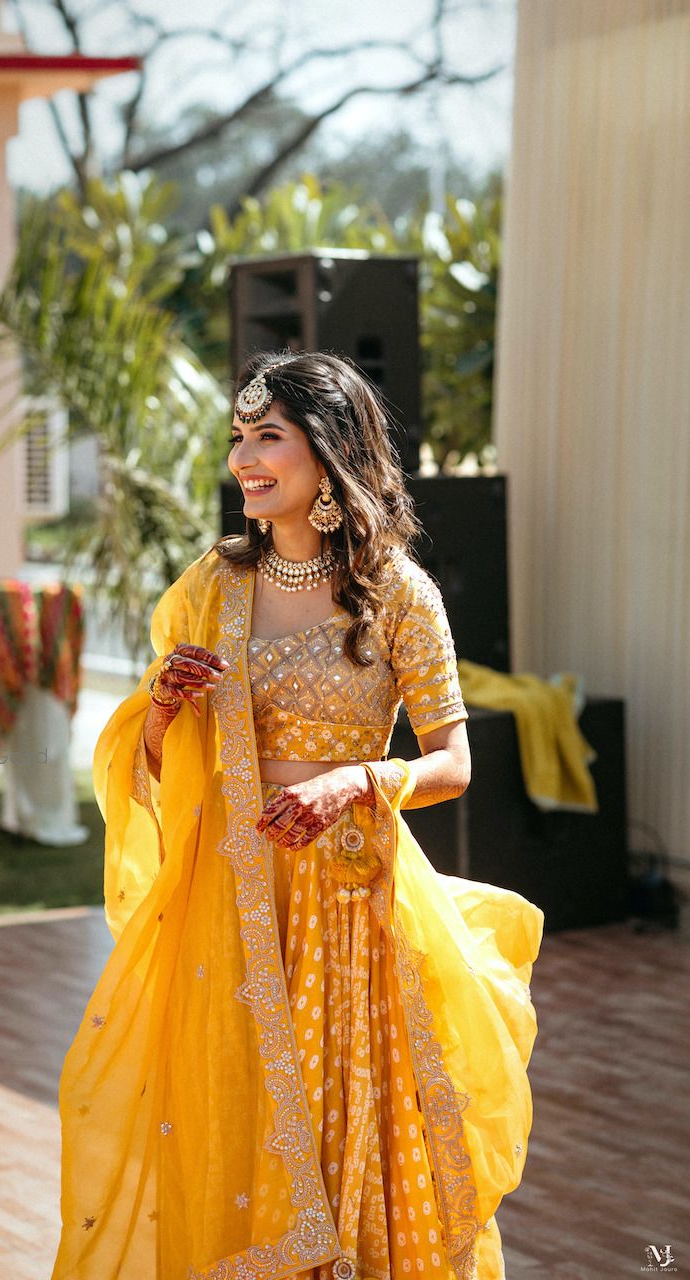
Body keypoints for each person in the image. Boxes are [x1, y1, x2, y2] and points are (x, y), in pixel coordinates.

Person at [51, 351, 544, 1280]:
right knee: (235, 1119)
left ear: (329, 453)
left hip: (349, 906)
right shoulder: (213, 585)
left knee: (340, 1122)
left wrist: (353, 783)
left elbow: (451, 762)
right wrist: (160, 707)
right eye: (239, 437)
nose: (244, 458)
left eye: (267, 436)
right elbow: (154, 766)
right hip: (228, 900)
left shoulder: (398, 593)